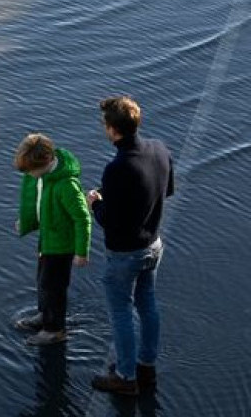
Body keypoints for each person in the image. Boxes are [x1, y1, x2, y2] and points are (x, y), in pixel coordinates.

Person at [87, 96, 175, 396]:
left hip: (125, 253)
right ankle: (146, 367)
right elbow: (168, 190)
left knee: (121, 311)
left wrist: (95, 204)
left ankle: (125, 377)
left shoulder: (117, 167)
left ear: (112, 130)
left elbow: (110, 222)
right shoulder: (160, 149)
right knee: (148, 303)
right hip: (154, 244)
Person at [13, 133, 92, 345]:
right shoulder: (44, 178)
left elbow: (82, 218)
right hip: (47, 241)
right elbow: (40, 205)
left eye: (31, 170)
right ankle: (44, 315)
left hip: (62, 247)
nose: (29, 175)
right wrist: (26, 221)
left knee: (54, 288)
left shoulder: (66, 185)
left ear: (47, 162)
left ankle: (55, 329)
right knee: (42, 281)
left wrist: (81, 252)